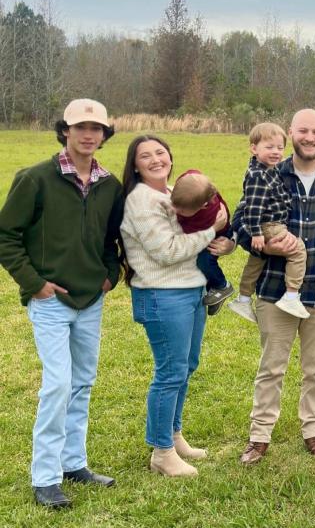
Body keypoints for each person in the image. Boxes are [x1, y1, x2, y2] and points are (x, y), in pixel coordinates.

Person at [0, 99, 122, 509]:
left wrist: (110, 274)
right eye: (80, 127)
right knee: (58, 385)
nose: (89, 134)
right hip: (51, 300)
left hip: (91, 298)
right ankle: (45, 478)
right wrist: (34, 284)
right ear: (64, 130)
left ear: (104, 135)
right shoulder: (35, 178)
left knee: (83, 382)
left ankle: (74, 464)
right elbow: (6, 236)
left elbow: (111, 241)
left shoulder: (110, 185)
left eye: (97, 128)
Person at [235, 109, 315, 463]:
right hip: (276, 291)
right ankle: (259, 435)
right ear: (291, 132)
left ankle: (314, 430)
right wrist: (260, 242)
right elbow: (240, 222)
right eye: (303, 130)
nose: (309, 137)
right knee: (271, 366)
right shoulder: (269, 174)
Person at [120, 135, 234, 477]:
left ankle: (174, 434)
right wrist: (212, 229)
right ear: (135, 164)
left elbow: (200, 236)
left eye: (160, 152)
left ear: (170, 156)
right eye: (145, 155)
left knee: (186, 367)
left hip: (191, 291)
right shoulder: (141, 200)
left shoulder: (174, 192)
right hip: (162, 294)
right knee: (170, 372)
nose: (155, 159)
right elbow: (167, 251)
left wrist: (223, 243)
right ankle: (161, 451)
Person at [228, 122, 309, 322]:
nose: (276, 152)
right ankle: (291, 295)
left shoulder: (268, 170)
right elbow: (253, 207)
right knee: (298, 250)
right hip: (270, 225)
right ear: (254, 148)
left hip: (267, 225)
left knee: (257, 260)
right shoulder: (258, 175)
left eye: (280, 148)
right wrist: (256, 233)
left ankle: (244, 298)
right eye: (269, 147)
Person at [171, 170, 234, 315]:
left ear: (202, 205)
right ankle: (211, 290)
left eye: (181, 210)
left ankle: (221, 286)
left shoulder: (208, 215)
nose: (175, 210)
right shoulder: (190, 180)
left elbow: (187, 238)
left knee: (203, 261)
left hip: (216, 236)